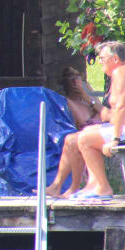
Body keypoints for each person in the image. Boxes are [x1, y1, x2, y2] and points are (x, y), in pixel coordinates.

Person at [74, 41, 125, 200]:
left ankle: (103, 188)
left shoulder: (121, 72)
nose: (100, 61)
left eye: (103, 58)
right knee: (86, 133)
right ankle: (95, 185)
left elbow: (121, 108)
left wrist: (115, 140)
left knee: (85, 139)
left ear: (115, 59)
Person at [44, 67, 103, 198]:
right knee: (72, 141)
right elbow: (84, 122)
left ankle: (63, 187)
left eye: (78, 78)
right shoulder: (68, 103)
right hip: (86, 134)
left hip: (100, 133)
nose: (75, 83)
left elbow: (105, 114)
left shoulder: (89, 100)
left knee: (75, 141)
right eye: (72, 80)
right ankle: (59, 187)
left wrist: (88, 95)